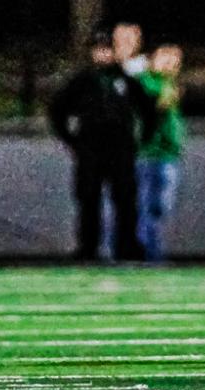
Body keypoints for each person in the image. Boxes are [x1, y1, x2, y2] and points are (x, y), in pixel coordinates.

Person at [49, 32, 155, 262]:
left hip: (120, 149)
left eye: (107, 49)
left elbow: (148, 111)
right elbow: (58, 110)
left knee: (125, 199)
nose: (104, 54)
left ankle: (126, 246)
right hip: (90, 149)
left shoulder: (126, 79)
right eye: (99, 49)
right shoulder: (83, 81)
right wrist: (72, 140)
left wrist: (139, 141)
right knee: (89, 199)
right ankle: (88, 247)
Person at [135, 43, 185, 262]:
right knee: (146, 207)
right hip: (149, 154)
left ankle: (149, 250)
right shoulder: (146, 82)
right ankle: (148, 253)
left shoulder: (168, 83)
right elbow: (153, 108)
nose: (170, 63)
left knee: (160, 207)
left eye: (175, 59)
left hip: (168, 154)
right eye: (165, 57)